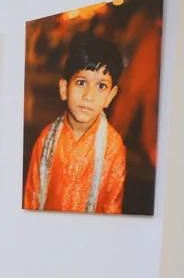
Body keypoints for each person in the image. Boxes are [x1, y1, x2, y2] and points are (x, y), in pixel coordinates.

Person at [24, 35, 127, 213]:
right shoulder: (46, 139)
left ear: (110, 96)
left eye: (101, 86)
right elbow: (31, 197)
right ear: (64, 89)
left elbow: (112, 208)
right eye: (81, 82)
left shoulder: (113, 147)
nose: (89, 96)